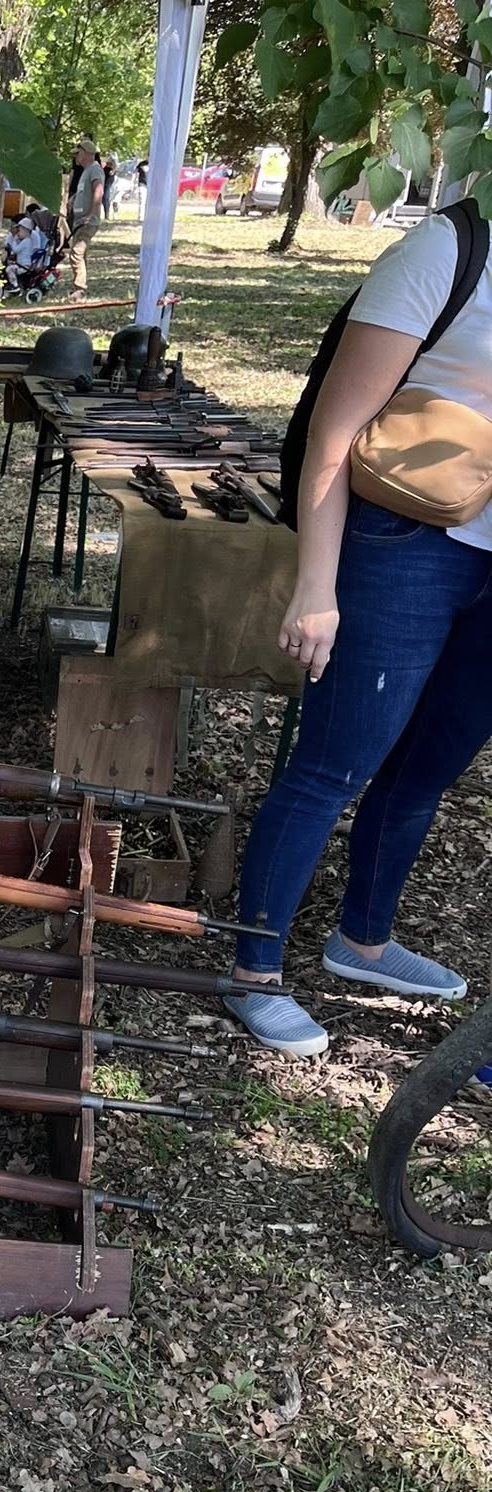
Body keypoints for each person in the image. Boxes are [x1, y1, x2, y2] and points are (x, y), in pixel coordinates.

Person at [226, 215, 492, 1057]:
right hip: (407, 545)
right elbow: (334, 434)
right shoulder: (450, 250)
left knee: (426, 770)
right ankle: (254, 970)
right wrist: (316, 585)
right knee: (333, 767)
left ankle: (362, 943)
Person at [64, 138, 104, 298]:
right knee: (81, 254)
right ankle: (78, 286)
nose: (75, 157)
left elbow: (98, 191)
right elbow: (85, 191)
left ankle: (79, 289)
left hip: (87, 221)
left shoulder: (95, 169)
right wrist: (74, 199)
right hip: (79, 221)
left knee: (76, 253)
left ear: (86, 153)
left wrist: (90, 215)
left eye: (78, 153)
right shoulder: (86, 171)